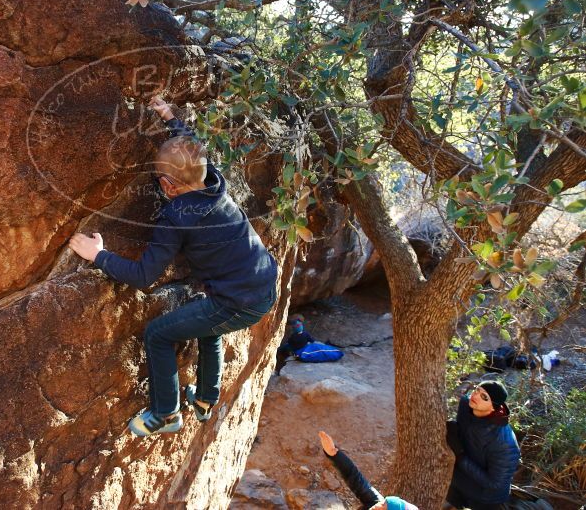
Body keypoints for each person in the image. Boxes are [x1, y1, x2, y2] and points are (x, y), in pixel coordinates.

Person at [68, 96, 278, 437]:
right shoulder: (212, 181)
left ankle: (166, 413)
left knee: (158, 334)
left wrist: (99, 255)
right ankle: (206, 398)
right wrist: (169, 117)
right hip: (262, 281)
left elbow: (144, 275)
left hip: (239, 301)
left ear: (168, 186)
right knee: (204, 317)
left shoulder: (176, 218)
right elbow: (194, 148)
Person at [444, 380, 521, 510]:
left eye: (484, 397)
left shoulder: (504, 443)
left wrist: (461, 456)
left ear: (494, 407)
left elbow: (495, 483)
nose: (475, 396)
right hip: (459, 479)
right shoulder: (466, 405)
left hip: (486, 497)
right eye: (477, 390)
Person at [318, 431, 418, 510]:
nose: (378, 507)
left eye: (384, 509)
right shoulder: (376, 502)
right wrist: (335, 455)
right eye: (384, 503)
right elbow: (354, 477)